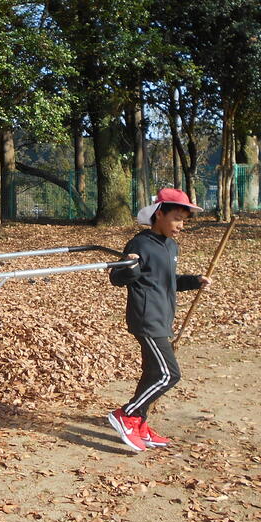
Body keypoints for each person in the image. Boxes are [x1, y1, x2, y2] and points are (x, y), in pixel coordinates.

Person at [107, 188, 211, 452]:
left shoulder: (171, 246)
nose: (180, 225)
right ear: (159, 214)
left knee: (153, 373)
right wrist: (130, 267)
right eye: (176, 218)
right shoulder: (139, 244)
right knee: (169, 374)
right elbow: (117, 278)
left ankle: (139, 424)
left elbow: (167, 281)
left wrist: (194, 281)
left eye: (183, 220)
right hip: (146, 318)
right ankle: (127, 414)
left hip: (163, 317)